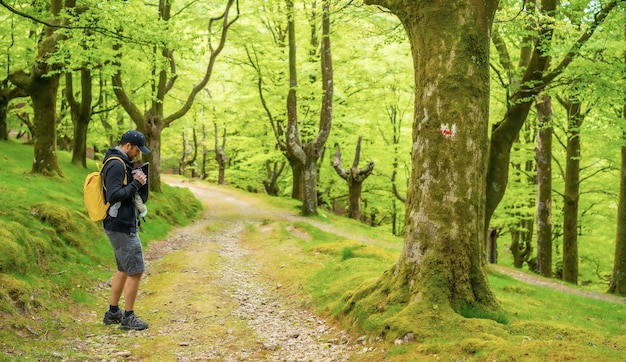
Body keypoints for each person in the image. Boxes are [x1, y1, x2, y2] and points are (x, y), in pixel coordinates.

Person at [101, 130, 151, 331]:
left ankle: (113, 312)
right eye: (137, 150)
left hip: (118, 224)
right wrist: (136, 184)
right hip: (121, 226)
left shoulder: (120, 162)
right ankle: (128, 317)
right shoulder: (116, 164)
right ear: (128, 145)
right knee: (136, 270)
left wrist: (134, 181)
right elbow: (113, 195)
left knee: (123, 268)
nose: (138, 154)